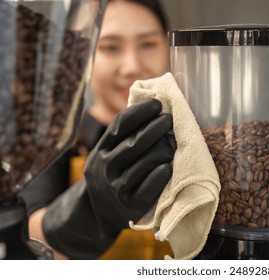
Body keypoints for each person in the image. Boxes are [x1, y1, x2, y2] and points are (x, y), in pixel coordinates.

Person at [19, 0, 174, 260]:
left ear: (169, 49)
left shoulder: (201, 137)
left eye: (148, 44)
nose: (132, 66)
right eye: (110, 47)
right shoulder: (52, 140)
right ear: (82, 57)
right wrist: (95, 209)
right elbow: (27, 237)